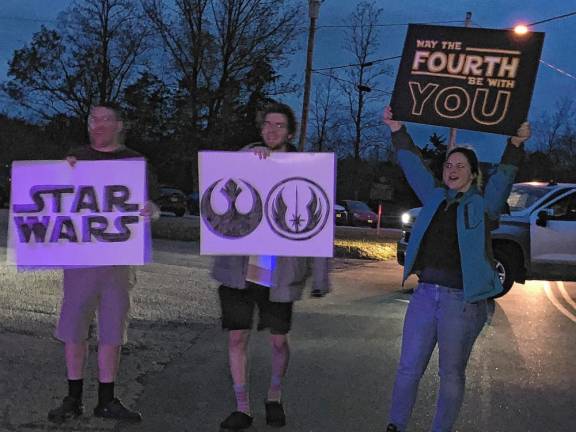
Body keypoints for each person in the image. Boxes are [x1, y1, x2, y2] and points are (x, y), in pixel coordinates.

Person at [382, 106, 529, 432]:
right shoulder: (434, 196)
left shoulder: (483, 204)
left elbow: (503, 179)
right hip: (424, 295)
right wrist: (397, 130)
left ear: (473, 173)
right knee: (408, 368)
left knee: (450, 372)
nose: (452, 169)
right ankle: (395, 426)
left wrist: (515, 146)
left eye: (460, 166)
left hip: (460, 302)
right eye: (449, 164)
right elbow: (412, 165)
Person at [211, 103, 331, 431]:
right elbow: (218, 191)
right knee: (237, 338)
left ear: (290, 133)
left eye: (279, 126)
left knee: (278, 341)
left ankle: (274, 396)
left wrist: (321, 275)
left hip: (279, 275)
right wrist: (250, 156)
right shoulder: (245, 159)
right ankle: (242, 408)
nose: (272, 130)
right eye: (267, 124)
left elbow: (318, 225)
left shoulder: (306, 170)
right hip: (239, 272)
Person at [48, 103, 159, 424]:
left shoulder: (135, 163)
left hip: (118, 261)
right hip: (80, 260)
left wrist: (150, 209)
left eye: (105, 118)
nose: (97, 124)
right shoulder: (76, 158)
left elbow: (153, 204)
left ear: (120, 124)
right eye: (92, 118)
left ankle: (107, 399)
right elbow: (56, 199)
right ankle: (73, 397)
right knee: (74, 327)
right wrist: (60, 171)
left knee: (112, 328)